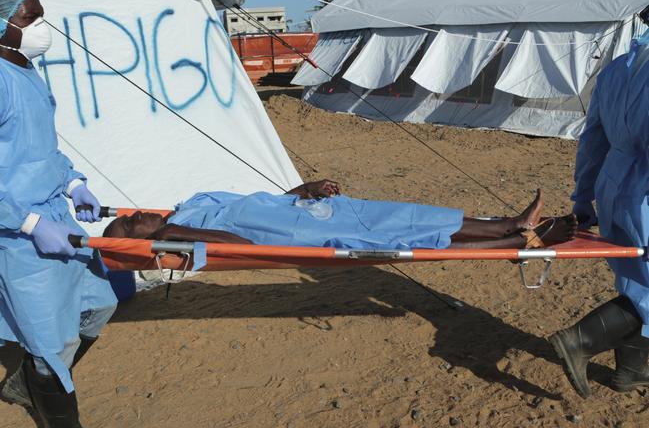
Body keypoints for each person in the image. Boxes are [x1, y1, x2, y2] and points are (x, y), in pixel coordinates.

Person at [0, 0, 120, 428]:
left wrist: (73, 185)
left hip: (55, 214)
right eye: (30, 20)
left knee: (98, 304)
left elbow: (40, 150)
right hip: (17, 232)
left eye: (40, 17)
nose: (41, 29)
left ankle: (26, 384)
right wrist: (30, 225)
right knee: (50, 336)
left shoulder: (25, 69)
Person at [548, 28, 649, 398]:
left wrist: (583, 196)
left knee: (636, 280)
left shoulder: (616, 69)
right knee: (646, 286)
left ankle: (630, 370)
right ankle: (580, 340)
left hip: (612, 186)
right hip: (643, 194)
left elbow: (593, 138)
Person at [103, 180, 577, 251]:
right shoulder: (179, 231)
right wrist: (166, 234)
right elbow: (245, 245)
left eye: (131, 216)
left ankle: (510, 226)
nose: (137, 214)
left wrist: (303, 189)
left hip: (306, 207)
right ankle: (511, 238)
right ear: (140, 239)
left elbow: (264, 198)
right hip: (307, 231)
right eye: (130, 223)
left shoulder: (195, 199)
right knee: (401, 233)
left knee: (408, 212)